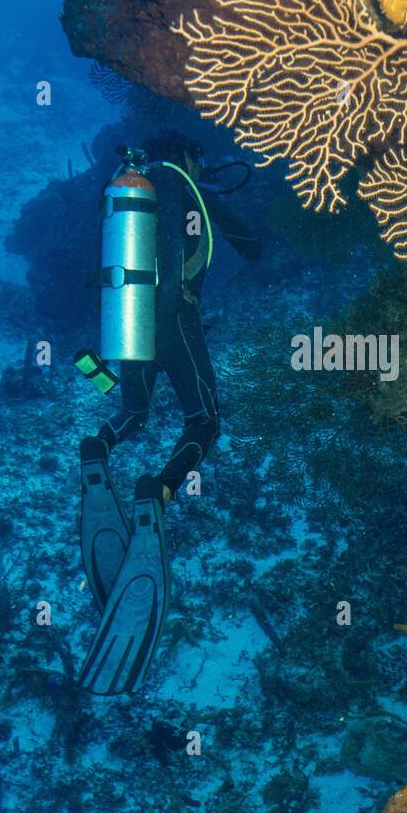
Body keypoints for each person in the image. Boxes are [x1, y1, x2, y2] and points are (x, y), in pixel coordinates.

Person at [76, 138, 260, 694]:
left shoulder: (129, 194)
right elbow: (252, 246)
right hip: (174, 317)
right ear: (193, 159)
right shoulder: (188, 188)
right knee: (203, 421)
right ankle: (159, 492)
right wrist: (209, 202)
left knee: (134, 408)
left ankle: (98, 450)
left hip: (128, 320)